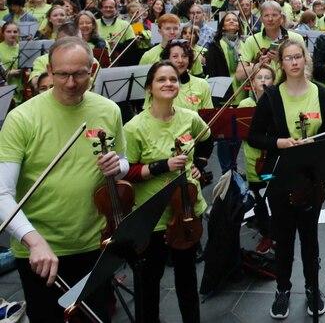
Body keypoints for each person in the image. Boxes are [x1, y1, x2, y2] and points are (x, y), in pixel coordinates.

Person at [0, 37, 125, 322]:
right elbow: (1, 193)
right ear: (50, 70)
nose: (70, 83)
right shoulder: (21, 118)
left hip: (95, 243)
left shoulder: (109, 110)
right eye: (62, 74)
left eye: (79, 73)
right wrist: (34, 241)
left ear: (93, 69)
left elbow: (124, 160)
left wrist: (118, 165)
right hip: (41, 249)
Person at [247, 40, 325, 319]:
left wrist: (317, 142)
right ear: (282, 64)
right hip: (278, 175)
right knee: (283, 237)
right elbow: (254, 136)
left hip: (311, 177)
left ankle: (313, 288)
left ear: (306, 60)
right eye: (288, 58)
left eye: (298, 57)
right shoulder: (272, 96)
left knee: (310, 238)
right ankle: (282, 289)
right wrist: (279, 142)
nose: (294, 62)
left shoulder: (323, 95)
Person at [123, 61, 212, 323]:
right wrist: (161, 166)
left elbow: (207, 141)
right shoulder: (134, 127)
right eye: (161, 80)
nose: (169, 84)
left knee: (187, 278)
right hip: (152, 215)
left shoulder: (190, 117)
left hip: (185, 211)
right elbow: (125, 172)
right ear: (149, 86)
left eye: (173, 79)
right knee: (149, 282)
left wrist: (199, 165)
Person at [238, 64, 277, 254]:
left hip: (272, 160)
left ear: (274, 82)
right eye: (259, 78)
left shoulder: (277, 102)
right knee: (259, 198)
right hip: (254, 161)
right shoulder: (245, 105)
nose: (263, 81)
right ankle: (266, 233)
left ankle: (278, 230)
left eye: (267, 77)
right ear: (252, 82)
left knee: (273, 193)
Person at [205, 11, 247, 173]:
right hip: (223, 94)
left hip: (241, 93)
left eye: (234, 20)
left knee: (238, 136)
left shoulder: (245, 43)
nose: (231, 22)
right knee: (224, 137)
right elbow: (211, 69)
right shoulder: (215, 45)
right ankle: (226, 169)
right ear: (222, 25)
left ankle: (234, 166)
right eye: (228, 20)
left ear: (238, 25)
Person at [144, 39, 213, 112]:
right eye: (175, 56)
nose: (180, 60)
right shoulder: (156, 84)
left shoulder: (202, 84)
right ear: (167, 59)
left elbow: (209, 116)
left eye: (184, 56)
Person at [0, 21, 23, 104]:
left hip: (22, 89)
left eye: (15, 32)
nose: (12, 34)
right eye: (8, 32)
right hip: (4, 89)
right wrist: (9, 72)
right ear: (3, 33)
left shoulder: (23, 47)